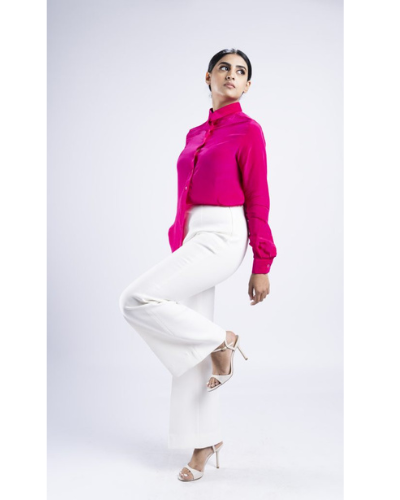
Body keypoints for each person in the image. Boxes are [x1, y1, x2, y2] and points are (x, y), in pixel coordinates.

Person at [118, 48, 277, 482]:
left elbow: (258, 196)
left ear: (247, 85)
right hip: (193, 234)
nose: (231, 75)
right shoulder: (195, 133)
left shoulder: (248, 131)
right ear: (208, 77)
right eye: (224, 68)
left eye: (240, 71)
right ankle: (204, 441)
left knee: (135, 299)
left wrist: (261, 262)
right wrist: (179, 241)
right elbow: (183, 194)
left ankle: (222, 342)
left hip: (225, 232)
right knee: (185, 335)